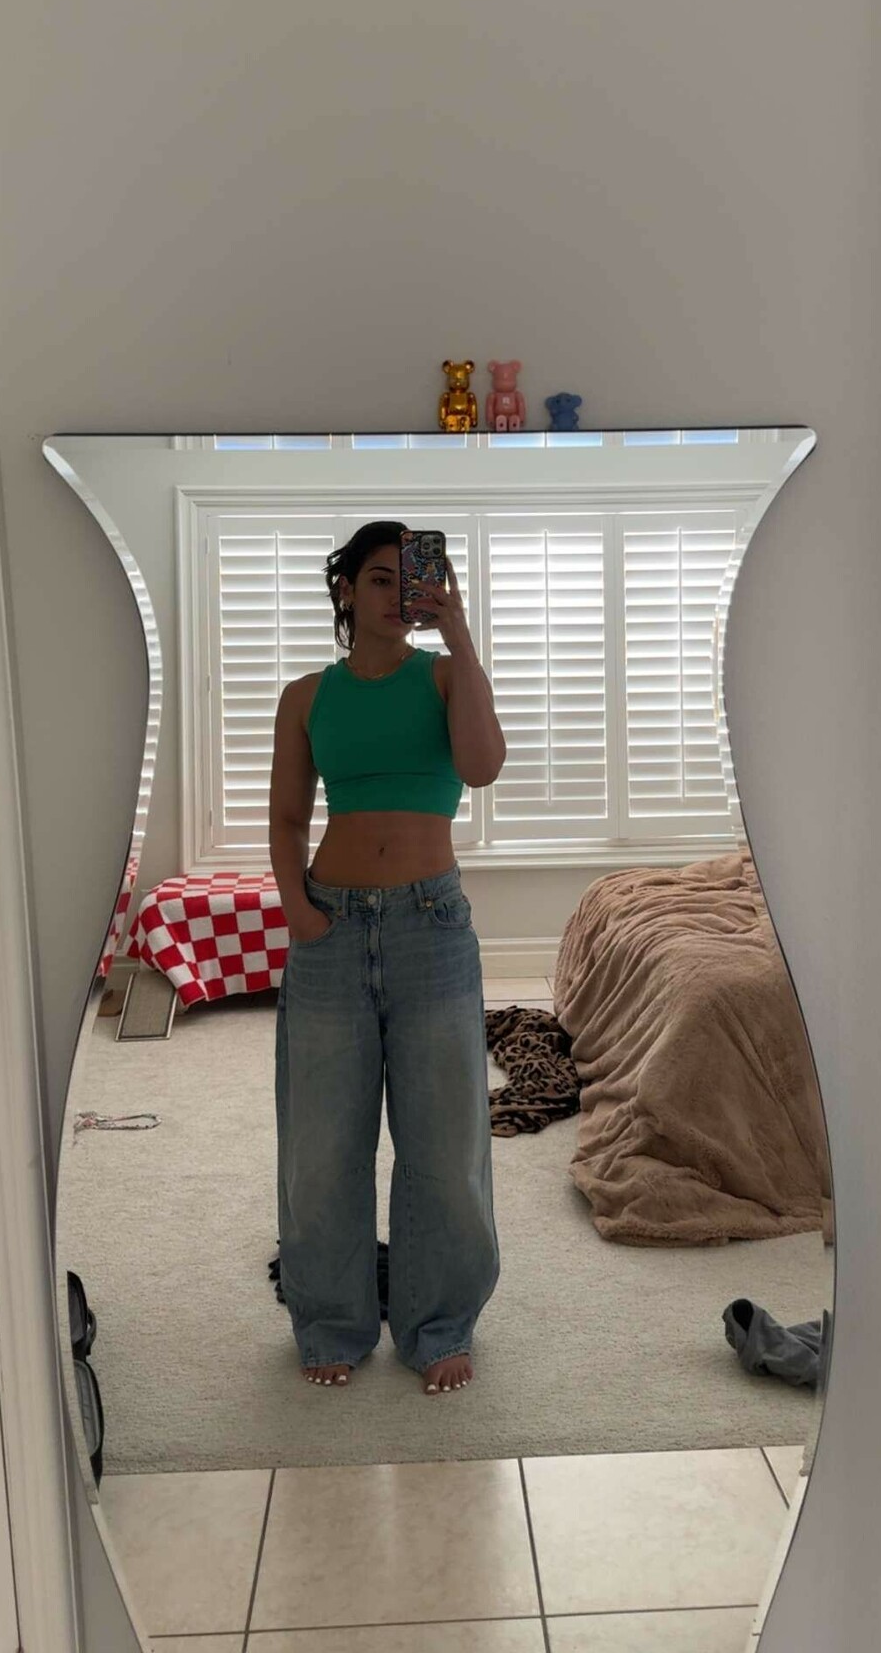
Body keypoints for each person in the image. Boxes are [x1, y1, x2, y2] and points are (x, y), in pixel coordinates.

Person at [268, 520, 506, 1397]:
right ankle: (331, 1320)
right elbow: (287, 816)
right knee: (322, 1144)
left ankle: (438, 1323)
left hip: (429, 927)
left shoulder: (443, 676)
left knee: (445, 1140)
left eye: (411, 579)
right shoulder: (306, 696)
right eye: (379, 578)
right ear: (345, 590)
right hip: (329, 930)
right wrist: (299, 911)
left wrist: (460, 634)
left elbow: (481, 766)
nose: (398, 595)